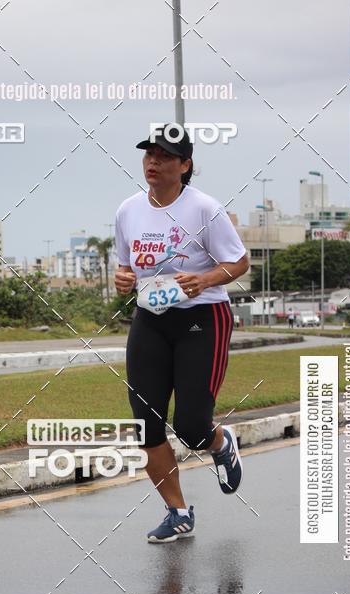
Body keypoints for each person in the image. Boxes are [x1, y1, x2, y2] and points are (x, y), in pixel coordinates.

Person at [114, 124, 250, 543]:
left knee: (190, 427)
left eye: (165, 156)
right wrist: (121, 278)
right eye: (149, 154)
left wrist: (206, 279)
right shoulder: (127, 211)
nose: (153, 162)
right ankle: (177, 512)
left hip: (201, 319)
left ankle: (220, 442)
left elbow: (239, 263)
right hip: (150, 320)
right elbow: (126, 266)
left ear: (185, 166)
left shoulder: (205, 209)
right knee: (147, 426)